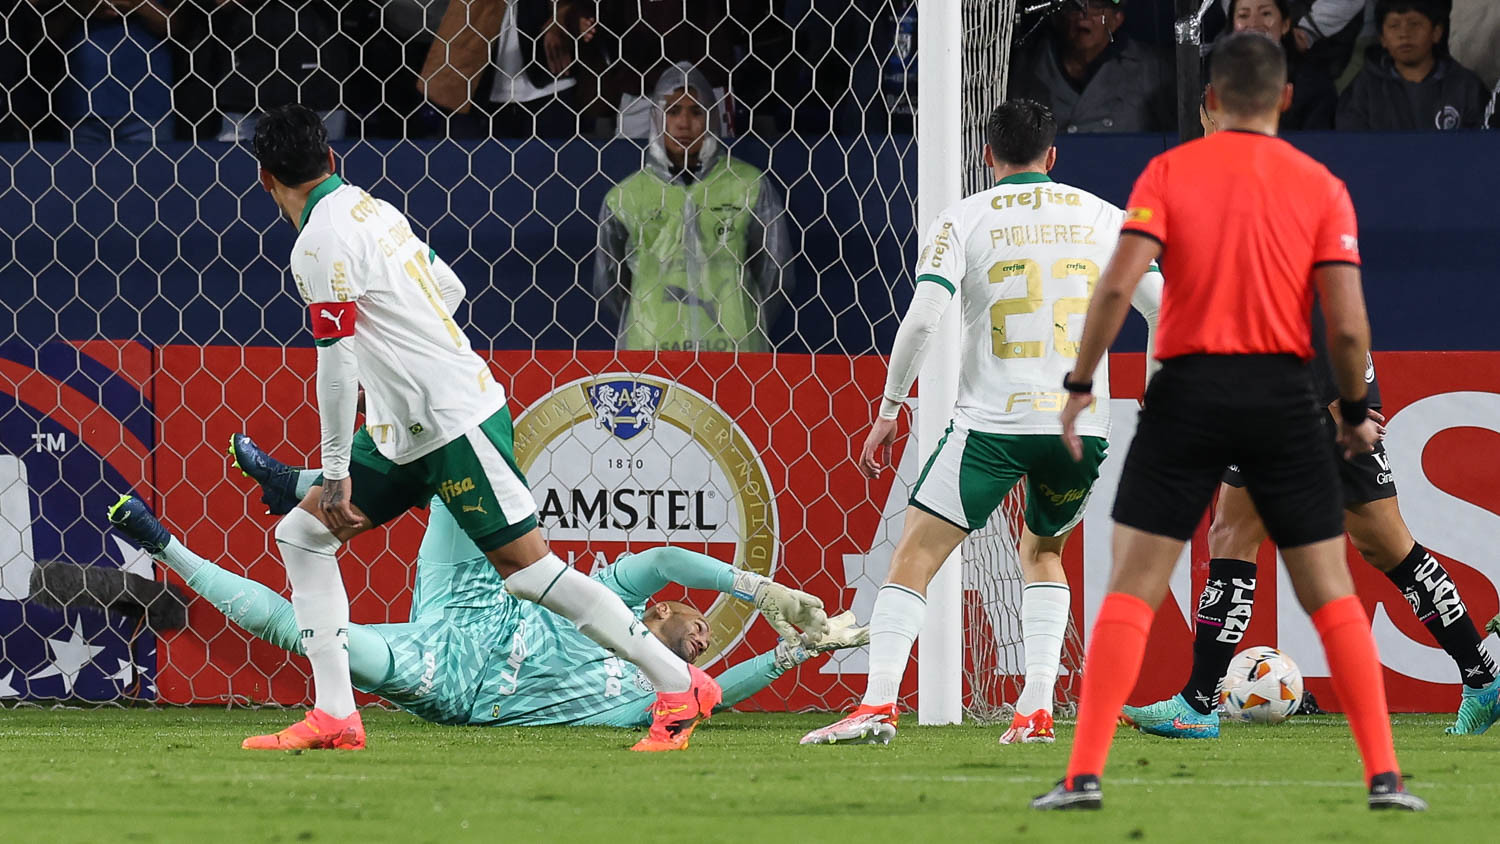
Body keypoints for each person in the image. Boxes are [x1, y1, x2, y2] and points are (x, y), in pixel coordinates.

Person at [111, 103, 823, 753]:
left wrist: (334, 472)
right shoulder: (372, 210)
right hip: (407, 426)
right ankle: (336, 713)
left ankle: (678, 681)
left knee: (529, 571)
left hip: (452, 420)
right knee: (299, 535)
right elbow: (447, 288)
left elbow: (336, 367)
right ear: (331, 161)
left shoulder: (315, 246)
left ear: (264, 179)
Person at [1032, 33, 1424, 811]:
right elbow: (1347, 327)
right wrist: (1351, 411)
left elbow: (1116, 288)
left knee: (1134, 584)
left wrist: (1080, 381)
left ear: (1210, 101)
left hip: (1187, 395)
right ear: (1284, 99)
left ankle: (1082, 776)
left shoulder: (1169, 172)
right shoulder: (1320, 187)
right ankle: (1383, 777)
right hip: (1283, 397)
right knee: (1328, 588)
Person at [1123, 93, 1500, 740]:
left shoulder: (1257, 182)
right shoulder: (1263, 177)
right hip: (1282, 379)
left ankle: (1478, 679)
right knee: (1279, 536)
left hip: (1312, 377)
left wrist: (1347, 408)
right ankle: (1481, 678)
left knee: (1372, 540)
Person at [799, 99, 1161, 747]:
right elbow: (1164, 310)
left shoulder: (962, 218)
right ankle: (1036, 709)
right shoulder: (1108, 218)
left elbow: (922, 319)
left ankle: (878, 704)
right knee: (1043, 551)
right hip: (1081, 426)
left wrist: (889, 408)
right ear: (1053, 156)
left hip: (992, 426)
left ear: (987, 156)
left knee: (915, 554)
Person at [102, 441, 866, 729]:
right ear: (661, 611)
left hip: (456, 680)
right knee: (457, 471)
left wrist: (796, 651)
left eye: (703, 649)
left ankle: (166, 546)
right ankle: (303, 484)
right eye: (700, 629)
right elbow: (668, 555)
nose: (703, 643)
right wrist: (756, 590)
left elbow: (717, 692)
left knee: (306, 634)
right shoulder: (621, 592)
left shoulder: (651, 691)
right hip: (474, 598)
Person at [593, 62, 794, 353]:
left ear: (712, 118)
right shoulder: (626, 197)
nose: (684, 123)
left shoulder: (749, 186)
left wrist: (747, 318)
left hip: (734, 349)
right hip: (651, 350)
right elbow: (611, 284)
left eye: (696, 111)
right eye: (673, 111)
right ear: (656, 118)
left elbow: (774, 275)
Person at [1007, 0, 1174, 134]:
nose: (1084, 15)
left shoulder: (1151, 69)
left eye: (1096, 4)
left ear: (1117, 18)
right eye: (1074, 5)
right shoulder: (1022, 67)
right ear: (1057, 16)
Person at [1336, 0, 1488, 131]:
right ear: (1382, 38)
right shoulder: (1362, 89)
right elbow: (1352, 148)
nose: (1404, 34)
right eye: (1394, 26)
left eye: (1414, 24)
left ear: (1436, 32)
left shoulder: (1467, 86)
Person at [1217, 0, 1337, 130]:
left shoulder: (1315, 84)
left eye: (1266, 14)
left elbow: (1318, 143)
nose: (1254, 24)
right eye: (1243, 16)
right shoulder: (1215, 77)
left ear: (1285, 25)